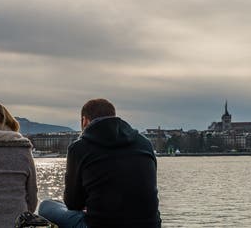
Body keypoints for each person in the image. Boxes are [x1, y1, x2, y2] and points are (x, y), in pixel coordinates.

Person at [39, 98, 161, 228]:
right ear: (113, 117)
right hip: (150, 224)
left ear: (84, 121)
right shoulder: (144, 143)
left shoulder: (79, 147)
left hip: (100, 224)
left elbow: (73, 203)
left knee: (46, 206)